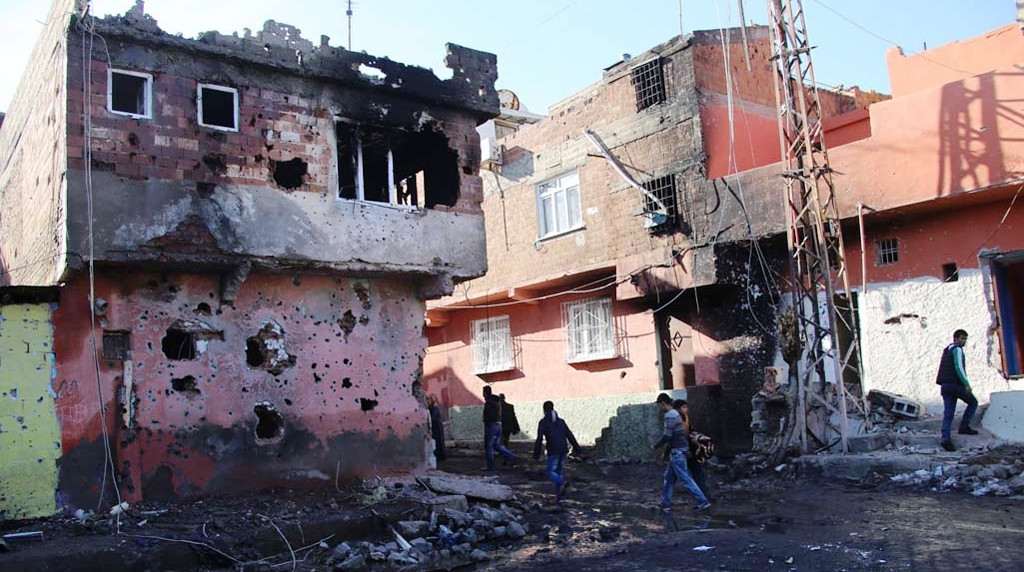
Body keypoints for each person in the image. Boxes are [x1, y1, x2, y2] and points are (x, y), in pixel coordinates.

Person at [653, 393, 710, 511]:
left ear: (663, 403)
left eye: (660, 406)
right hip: (680, 450)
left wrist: (655, 446)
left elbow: (667, 436)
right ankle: (665, 503)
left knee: (685, 478)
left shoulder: (670, 415)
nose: (660, 408)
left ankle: (703, 501)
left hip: (677, 452)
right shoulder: (675, 414)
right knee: (669, 478)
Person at [936, 329, 979, 451]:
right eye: (962, 338)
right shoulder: (958, 350)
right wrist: (966, 384)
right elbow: (959, 367)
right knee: (973, 402)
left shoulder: (947, 350)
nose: (964, 341)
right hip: (955, 385)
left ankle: (946, 438)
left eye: (965, 339)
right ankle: (964, 427)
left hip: (945, 386)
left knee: (948, 413)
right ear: (955, 339)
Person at [533, 401, 581, 504]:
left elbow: (539, 438)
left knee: (550, 472)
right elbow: (569, 435)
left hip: (553, 450)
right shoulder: (561, 421)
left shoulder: (543, 422)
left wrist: (536, 453)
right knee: (558, 472)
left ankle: (563, 483)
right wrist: (578, 449)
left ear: (544, 410)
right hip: (563, 449)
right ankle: (559, 496)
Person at [673, 399, 710, 499]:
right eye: (684, 407)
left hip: (687, 450)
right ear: (677, 409)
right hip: (683, 451)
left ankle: (703, 495)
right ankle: (703, 495)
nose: (686, 409)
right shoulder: (677, 421)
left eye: (686, 407)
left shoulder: (685, 418)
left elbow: (690, 431)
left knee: (694, 473)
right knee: (687, 475)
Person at [483, 387, 516, 470]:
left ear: (485, 393)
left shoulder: (488, 402)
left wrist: (487, 423)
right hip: (499, 425)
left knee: (489, 446)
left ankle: (490, 466)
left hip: (491, 425)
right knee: (497, 445)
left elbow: (488, 415)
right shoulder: (497, 402)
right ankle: (511, 456)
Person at [427, 395, 446, 462]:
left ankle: (440, 456)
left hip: (437, 428)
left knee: (438, 442)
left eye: (428, 400)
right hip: (435, 428)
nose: (427, 402)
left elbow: (433, 419)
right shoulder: (430, 409)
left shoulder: (435, 409)